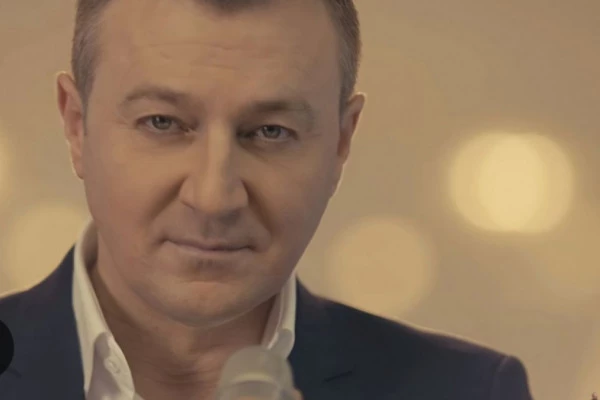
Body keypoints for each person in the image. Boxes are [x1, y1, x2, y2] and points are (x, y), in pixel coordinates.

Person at [0, 0, 534, 399]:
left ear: (341, 143)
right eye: (161, 122)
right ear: (77, 126)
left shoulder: (470, 390)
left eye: (271, 131)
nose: (213, 198)